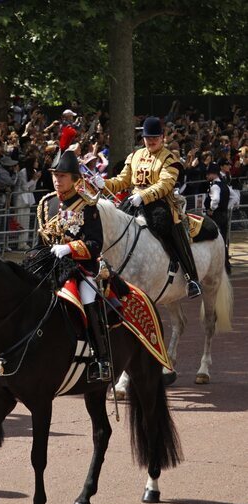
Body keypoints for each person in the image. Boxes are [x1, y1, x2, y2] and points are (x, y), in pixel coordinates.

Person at [96, 116, 201, 298]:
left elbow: (165, 185)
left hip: (160, 204)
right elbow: (122, 180)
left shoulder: (170, 158)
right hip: (134, 200)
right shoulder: (135, 156)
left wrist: (144, 196)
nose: (151, 141)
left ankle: (191, 277)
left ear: (162, 137)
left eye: (155, 137)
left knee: (169, 227)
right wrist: (104, 184)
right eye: (147, 137)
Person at [36, 150, 110, 383]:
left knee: (88, 297)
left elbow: (95, 244)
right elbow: (40, 240)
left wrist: (70, 249)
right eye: (55, 175)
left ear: (76, 178)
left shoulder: (87, 205)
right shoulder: (47, 203)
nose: (57, 180)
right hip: (50, 265)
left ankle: (101, 358)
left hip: (80, 268)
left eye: (63, 175)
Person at [205, 163, 231, 274]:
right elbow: (234, 196)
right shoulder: (224, 185)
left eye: (207, 174)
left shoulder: (215, 186)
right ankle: (226, 265)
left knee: (214, 240)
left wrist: (211, 209)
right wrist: (227, 207)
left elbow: (215, 200)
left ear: (212, 174)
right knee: (223, 240)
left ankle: (220, 266)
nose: (206, 177)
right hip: (224, 215)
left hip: (216, 216)